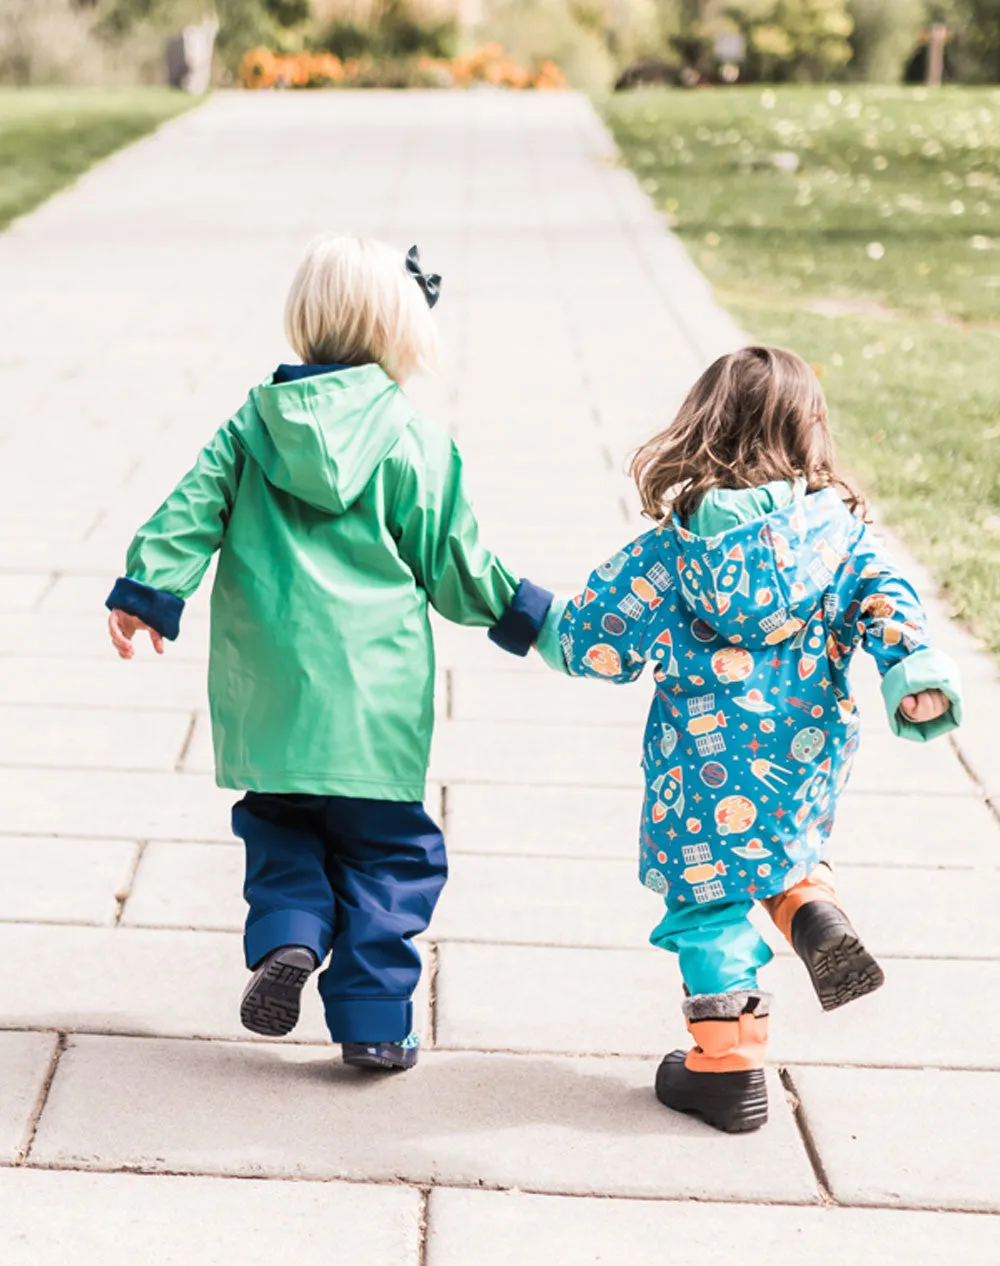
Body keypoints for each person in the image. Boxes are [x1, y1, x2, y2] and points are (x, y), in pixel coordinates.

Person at [106, 235, 552, 1071]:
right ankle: (375, 1019)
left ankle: (291, 935)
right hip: (374, 706)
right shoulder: (413, 441)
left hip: (268, 694)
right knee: (391, 855)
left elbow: (189, 510)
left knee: (280, 827)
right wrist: (531, 618)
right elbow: (457, 568)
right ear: (401, 331)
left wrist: (147, 592)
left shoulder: (249, 426)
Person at [536, 345, 962, 1133]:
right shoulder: (839, 540)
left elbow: (594, 640)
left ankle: (727, 1070)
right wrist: (913, 670)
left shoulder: (671, 552)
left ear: (701, 429)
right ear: (809, 436)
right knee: (786, 852)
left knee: (709, 903)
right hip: (804, 758)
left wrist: (526, 613)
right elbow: (890, 601)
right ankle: (810, 910)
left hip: (700, 773)